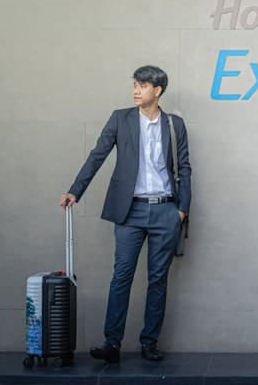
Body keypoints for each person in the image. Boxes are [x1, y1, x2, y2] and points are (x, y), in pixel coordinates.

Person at [59, 65, 191, 363]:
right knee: (121, 276)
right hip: (130, 211)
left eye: (142, 86)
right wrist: (75, 191)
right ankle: (112, 343)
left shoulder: (175, 125)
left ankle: (149, 342)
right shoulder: (120, 119)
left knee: (157, 280)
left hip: (165, 211)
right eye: (135, 85)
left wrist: (182, 210)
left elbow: (184, 168)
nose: (136, 91)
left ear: (157, 90)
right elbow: (97, 155)